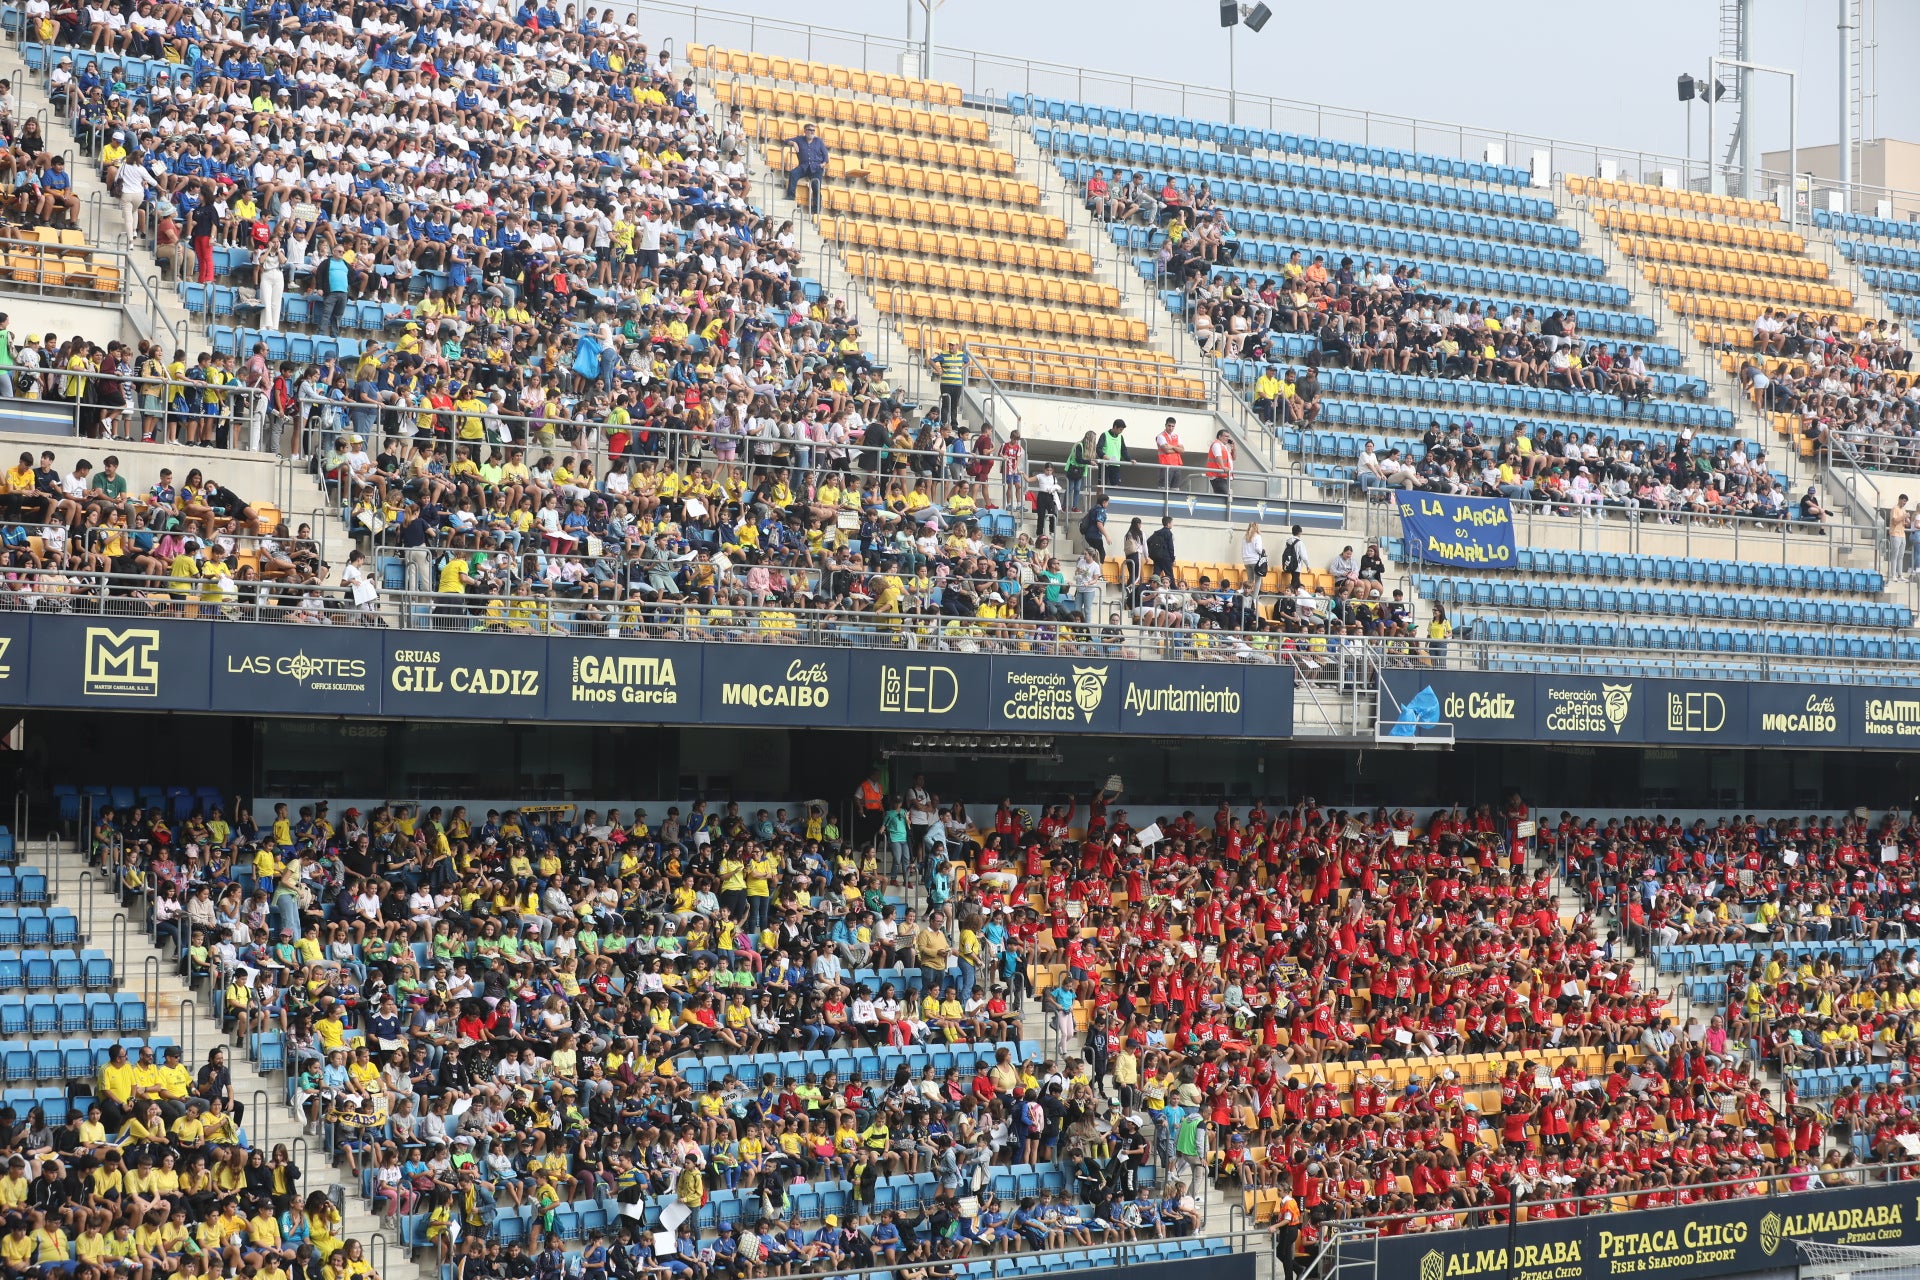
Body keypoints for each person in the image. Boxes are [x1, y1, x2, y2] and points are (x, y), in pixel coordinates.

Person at [784, 122, 828, 211]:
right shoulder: (800, 139)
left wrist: (822, 164)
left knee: (816, 186)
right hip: (804, 166)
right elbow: (785, 141)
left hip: (816, 167)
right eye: (810, 130)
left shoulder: (818, 141)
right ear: (805, 131)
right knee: (793, 173)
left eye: (813, 130)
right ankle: (790, 196)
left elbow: (825, 156)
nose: (812, 132)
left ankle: (816, 209)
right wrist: (793, 143)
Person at [932, 341, 969, 427]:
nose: (951, 347)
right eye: (950, 345)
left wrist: (962, 368)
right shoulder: (943, 354)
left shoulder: (961, 355)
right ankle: (943, 422)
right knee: (946, 403)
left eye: (953, 345)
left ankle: (954, 423)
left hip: (957, 384)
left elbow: (968, 362)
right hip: (946, 384)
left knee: (954, 404)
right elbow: (931, 361)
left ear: (957, 346)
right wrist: (938, 370)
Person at [1153, 418, 1183, 490]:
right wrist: (1177, 449)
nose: (1171, 428)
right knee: (1163, 488)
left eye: (1173, 426)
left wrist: (1171, 446)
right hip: (1166, 465)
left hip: (1177, 466)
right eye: (1169, 426)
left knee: (1175, 489)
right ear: (1165, 425)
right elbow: (1166, 450)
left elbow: (1182, 450)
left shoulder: (1176, 436)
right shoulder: (1161, 436)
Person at [1205, 429, 1234, 496]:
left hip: (1224, 476)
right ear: (1220, 436)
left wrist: (1234, 448)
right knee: (1225, 496)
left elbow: (1234, 458)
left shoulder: (1224, 447)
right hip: (1218, 476)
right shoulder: (1217, 444)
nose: (1228, 438)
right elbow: (1218, 456)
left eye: (1228, 437)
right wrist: (1223, 467)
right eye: (1226, 436)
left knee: (1225, 496)